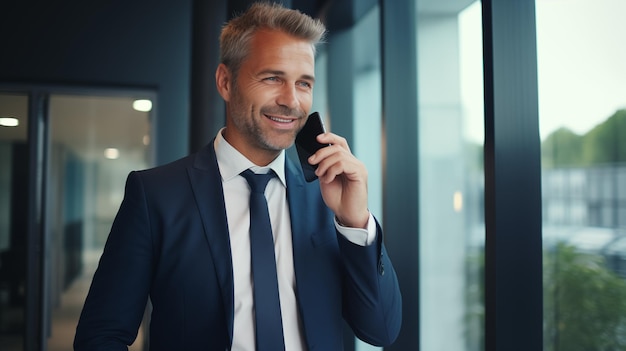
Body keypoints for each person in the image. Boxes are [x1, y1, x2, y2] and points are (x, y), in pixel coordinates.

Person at [74, 2, 402, 350]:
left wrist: (355, 222)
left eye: (304, 83)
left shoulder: (328, 197)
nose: (291, 101)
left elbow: (380, 330)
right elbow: (102, 335)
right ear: (225, 82)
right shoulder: (155, 195)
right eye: (273, 78)